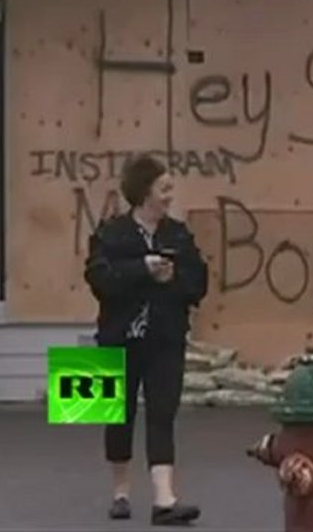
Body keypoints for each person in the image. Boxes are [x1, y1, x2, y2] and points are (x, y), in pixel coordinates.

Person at [83, 154, 208, 526]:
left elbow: (198, 283)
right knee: (116, 415)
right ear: (144, 192)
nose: (170, 196)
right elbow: (99, 281)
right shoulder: (111, 233)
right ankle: (120, 493)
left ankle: (164, 500)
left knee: (162, 414)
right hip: (117, 338)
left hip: (165, 338)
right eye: (163, 188)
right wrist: (143, 270)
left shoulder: (178, 235)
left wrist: (173, 279)